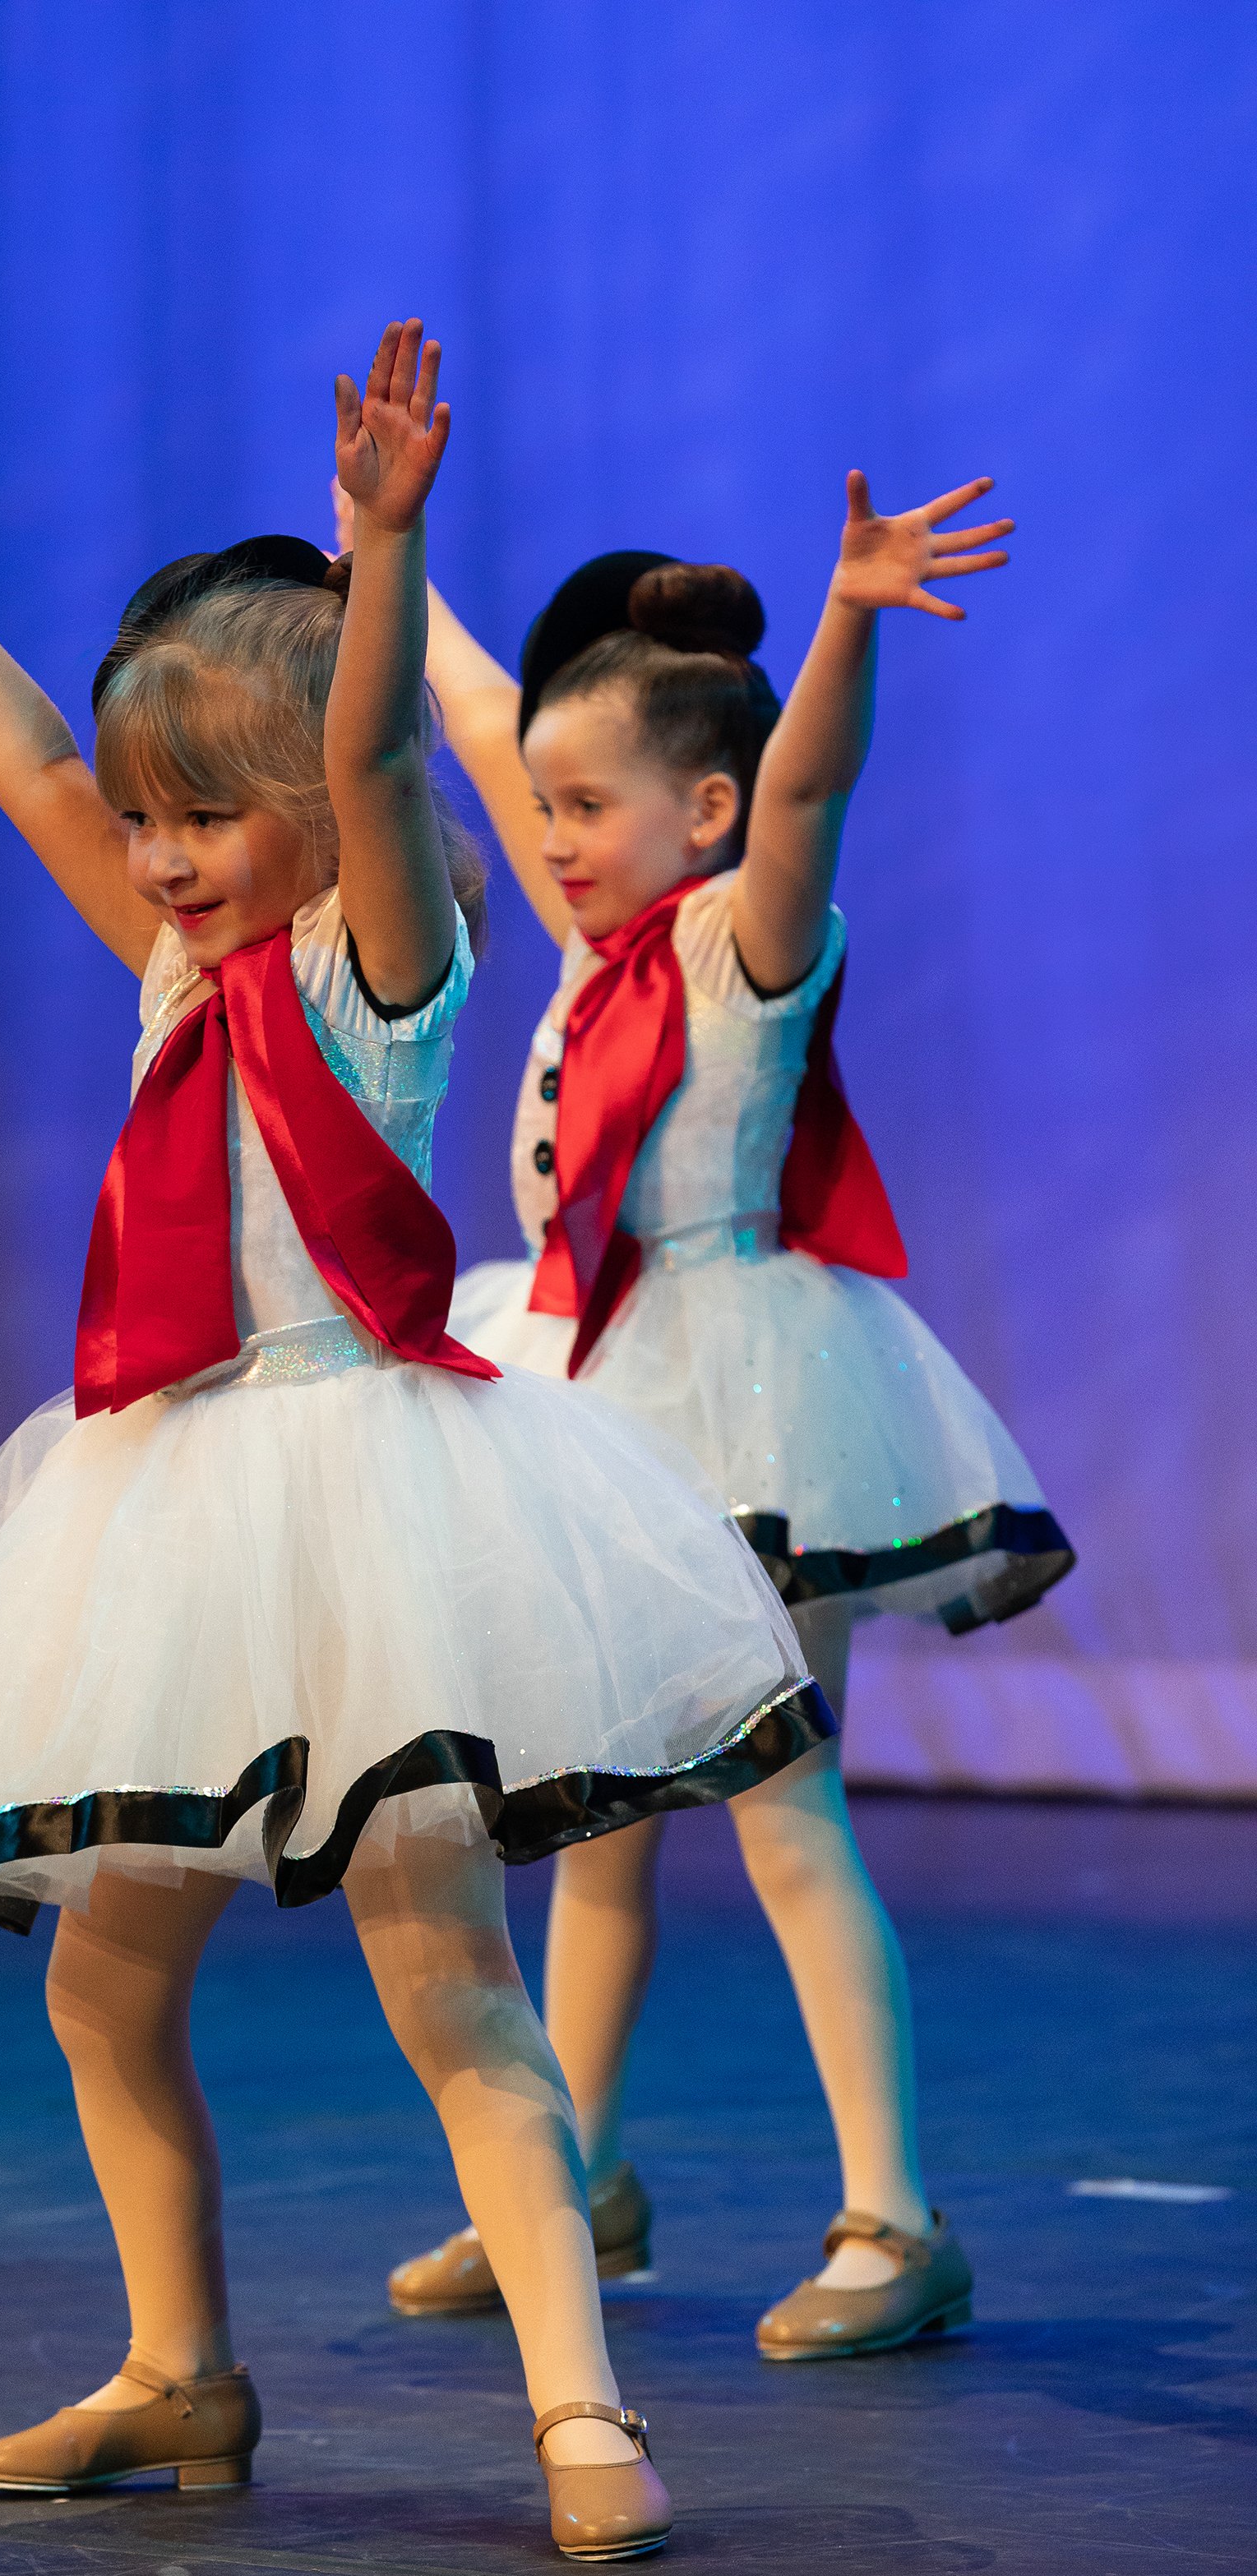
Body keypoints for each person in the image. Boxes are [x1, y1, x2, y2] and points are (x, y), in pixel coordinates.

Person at [0, 323, 833, 2560]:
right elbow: (38, 774)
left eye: (205, 817)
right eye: (151, 821)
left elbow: (371, 757)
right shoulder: (173, 959)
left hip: (361, 1504)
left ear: (316, 825)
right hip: (162, 1495)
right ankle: (181, 2372)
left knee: (448, 1978)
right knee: (104, 1979)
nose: (158, 855)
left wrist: (386, 544)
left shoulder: (383, 967)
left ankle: (575, 2405)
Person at [371, 476, 1073, 2358]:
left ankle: (889, 2217)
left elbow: (810, 792)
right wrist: (389, 549)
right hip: (601, 1392)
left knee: (781, 1813)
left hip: (751, 1403)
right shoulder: (600, 949)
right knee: (597, 1829)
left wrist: (844, 618)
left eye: (587, 812)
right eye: (545, 811)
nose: (551, 837)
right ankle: (576, 2183)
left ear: (700, 812)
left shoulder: (740, 954)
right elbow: (464, 710)